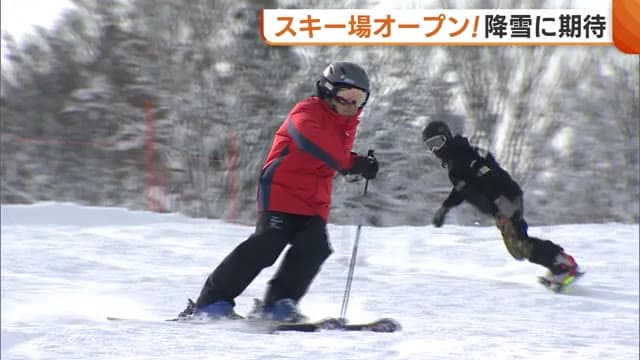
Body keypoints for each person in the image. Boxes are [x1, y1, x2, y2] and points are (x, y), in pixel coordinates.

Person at [179, 62, 379, 322]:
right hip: (280, 189)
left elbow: (333, 156)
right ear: (328, 92)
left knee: (316, 248)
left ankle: (278, 304)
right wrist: (351, 163)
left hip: (314, 199)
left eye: (359, 99)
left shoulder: (346, 123)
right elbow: (314, 142)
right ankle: (211, 302)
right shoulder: (306, 112)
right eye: (345, 97)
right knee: (268, 243)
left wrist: (359, 164)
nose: (351, 106)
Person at [422, 120, 580, 285]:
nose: (436, 150)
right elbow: (463, 188)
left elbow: (488, 176)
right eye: (431, 146)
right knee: (517, 249)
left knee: (520, 244)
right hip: (500, 203)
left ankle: (562, 265)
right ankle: (557, 262)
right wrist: (445, 208)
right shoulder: (456, 160)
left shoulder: (462, 154)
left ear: (446, 137)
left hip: (504, 199)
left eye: (438, 143)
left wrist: (500, 205)